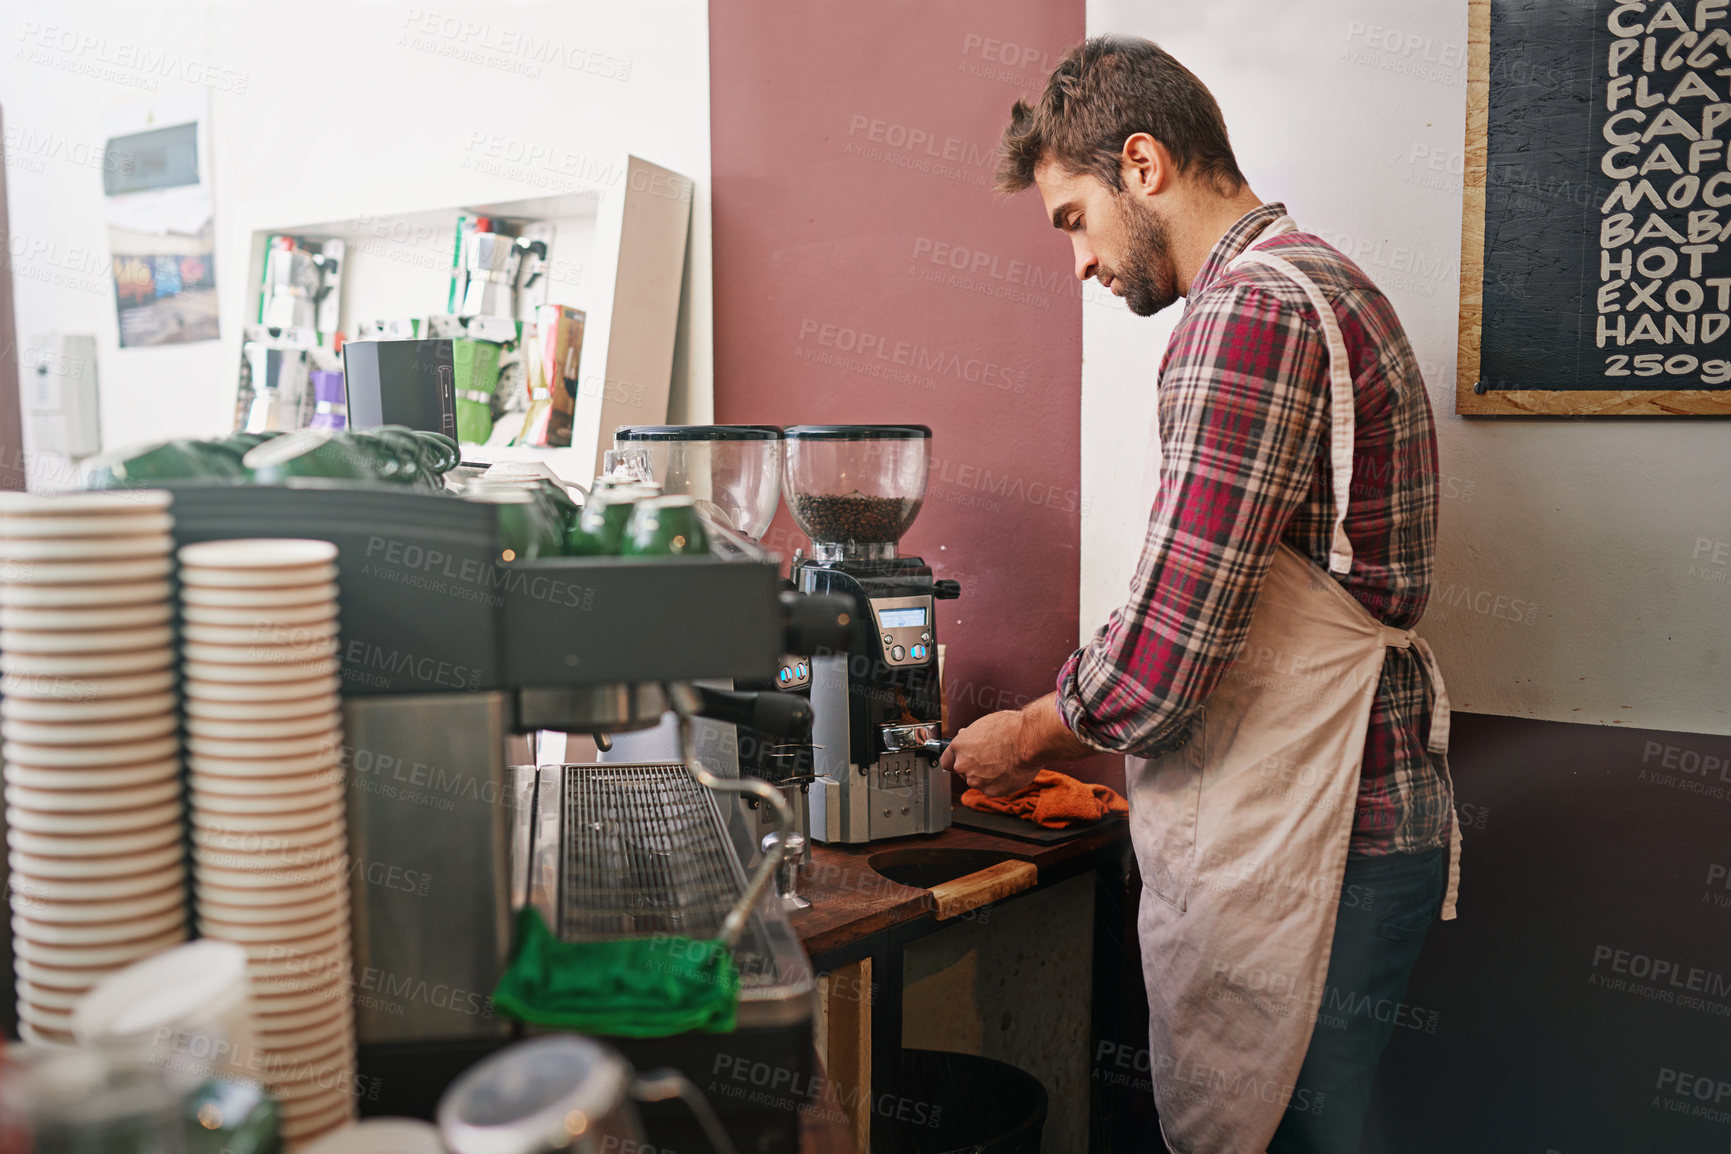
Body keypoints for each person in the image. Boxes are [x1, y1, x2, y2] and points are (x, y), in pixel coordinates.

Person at [940, 35, 1461, 1154]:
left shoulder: (1247, 317)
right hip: (1356, 822)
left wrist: (1026, 733)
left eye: (1071, 219)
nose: (1077, 264)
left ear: (1141, 164)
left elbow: (1168, 655)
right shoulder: (1325, 277)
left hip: (1323, 837)